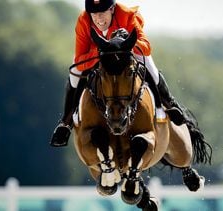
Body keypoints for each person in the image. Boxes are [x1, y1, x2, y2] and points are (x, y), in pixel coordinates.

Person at [50, 0, 189, 147]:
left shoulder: (127, 15)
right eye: (94, 14)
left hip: (126, 51)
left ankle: (169, 103)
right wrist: (102, 51)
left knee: (150, 66)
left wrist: (124, 44)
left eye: (102, 13)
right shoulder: (83, 21)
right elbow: (79, 58)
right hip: (97, 54)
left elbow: (146, 47)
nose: (98, 19)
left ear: (112, 9)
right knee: (74, 73)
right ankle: (66, 122)